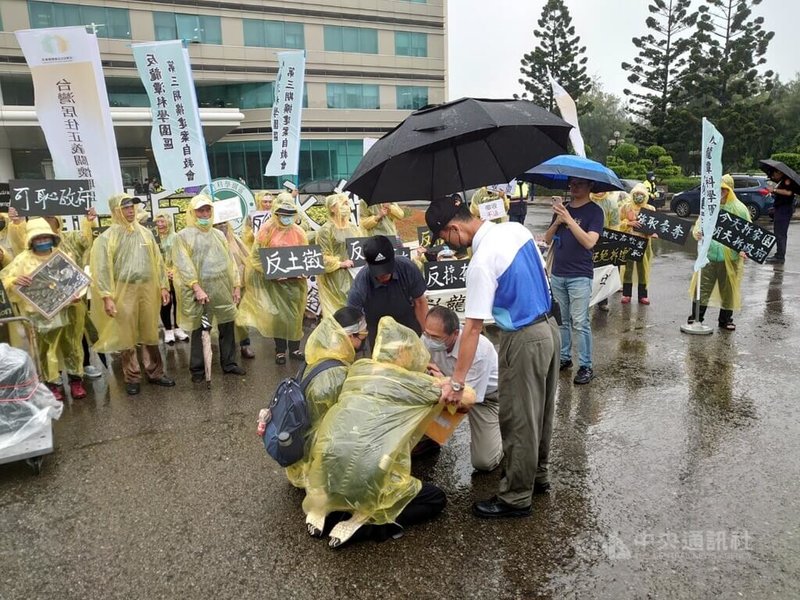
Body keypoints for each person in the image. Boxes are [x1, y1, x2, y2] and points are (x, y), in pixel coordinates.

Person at [425, 194, 560, 519]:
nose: (447, 244)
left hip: (524, 337)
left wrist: (456, 383)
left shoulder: (481, 261)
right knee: (540, 413)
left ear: (454, 228)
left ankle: (515, 498)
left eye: (445, 237)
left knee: (518, 420)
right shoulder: (515, 230)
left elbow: (471, 329)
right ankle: (536, 476)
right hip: (551, 328)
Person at [303, 317, 463, 547]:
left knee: (351, 474)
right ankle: (371, 524)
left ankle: (328, 511)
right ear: (404, 355)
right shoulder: (413, 383)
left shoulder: (359, 369)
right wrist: (441, 379)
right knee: (435, 499)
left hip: (328, 463)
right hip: (370, 468)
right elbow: (466, 397)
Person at [90, 194, 175, 396]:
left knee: (150, 331)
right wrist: (107, 297)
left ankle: (155, 372)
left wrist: (163, 286)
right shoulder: (107, 238)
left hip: (147, 287)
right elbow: (101, 269)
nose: (130, 211)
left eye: (132, 207)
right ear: (115, 211)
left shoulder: (145, 233)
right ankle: (132, 376)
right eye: (125, 207)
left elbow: (158, 261)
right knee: (126, 334)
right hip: (122, 290)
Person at [285, 307, 367, 489]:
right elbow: (333, 426)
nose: (364, 340)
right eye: (362, 335)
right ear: (350, 337)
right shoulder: (335, 374)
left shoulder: (320, 352)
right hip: (316, 456)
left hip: (300, 444)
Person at [0, 219, 82, 401]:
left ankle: (76, 380)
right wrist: (14, 280)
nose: (43, 240)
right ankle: (53, 384)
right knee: (45, 351)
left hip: (65, 311)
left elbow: (76, 281)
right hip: (38, 316)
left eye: (46, 236)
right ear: (31, 240)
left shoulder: (62, 256)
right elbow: (4, 278)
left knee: (70, 346)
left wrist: (76, 293)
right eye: (38, 238)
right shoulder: (22, 259)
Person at [172, 194, 246, 382]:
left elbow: (230, 262)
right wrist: (196, 288)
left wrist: (236, 285)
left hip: (223, 288)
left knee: (227, 325)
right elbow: (184, 264)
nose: (204, 214)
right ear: (192, 212)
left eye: (207, 210)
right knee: (200, 329)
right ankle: (198, 369)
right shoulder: (183, 236)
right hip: (201, 291)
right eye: (200, 210)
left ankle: (229, 363)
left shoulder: (219, 234)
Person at [423, 305, 503, 472]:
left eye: (436, 337)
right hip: (447, 390)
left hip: (484, 399)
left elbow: (465, 404)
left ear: (455, 333)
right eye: (427, 334)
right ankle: (427, 439)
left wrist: (440, 381)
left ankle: (505, 436)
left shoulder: (479, 350)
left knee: (484, 462)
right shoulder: (427, 339)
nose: (429, 340)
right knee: (421, 437)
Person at [543, 178, 604, 385]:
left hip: (580, 274)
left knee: (580, 322)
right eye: (572, 184)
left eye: (579, 184)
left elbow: (589, 242)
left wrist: (568, 220)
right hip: (558, 273)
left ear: (590, 186)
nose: (574, 187)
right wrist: (559, 221)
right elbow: (547, 239)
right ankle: (564, 358)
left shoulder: (595, 211)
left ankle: (586, 365)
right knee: (563, 321)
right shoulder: (563, 210)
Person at [237, 194, 308, 364]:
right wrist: (271, 272)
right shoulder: (266, 230)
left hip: (296, 282)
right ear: (276, 213)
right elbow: (255, 257)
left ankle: (295, 348)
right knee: (279, 317)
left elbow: (305, 255)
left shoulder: (298, 231)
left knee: (295, 315)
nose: (287, 218)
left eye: (290, 214)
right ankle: (280, 350)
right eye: (283, 214)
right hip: (275, 283)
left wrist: (304, 271)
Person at [687, 174, 750, 330]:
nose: (720, 192)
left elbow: (748, 232)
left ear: (730, 190)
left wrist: (744, 249)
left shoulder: (739, 209)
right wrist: (697, 233)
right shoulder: (709, 206)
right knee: (702, 287)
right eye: (717, 189)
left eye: (724, 189)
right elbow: (699, 224)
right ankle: (696, 316)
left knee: (728, 289)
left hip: (730, 257)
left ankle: (726, 319)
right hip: (708, 255)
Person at [347, 235, 427, 351]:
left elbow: (420, 302)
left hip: (408, 324)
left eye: (386, 269)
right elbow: (353, 319)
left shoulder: (407, 267)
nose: (383, 275)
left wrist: (426, 335)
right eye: (378, 271)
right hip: (379, 332)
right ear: (367, 263)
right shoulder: (361, 284)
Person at [316, 193, 363, 318]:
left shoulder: (353, 227)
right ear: (332, 208)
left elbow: (360, 247)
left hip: (354, 273)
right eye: (343, 204)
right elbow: (322, 256)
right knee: (338, 311)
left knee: (354, 308)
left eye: (347, 204)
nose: (346, 207)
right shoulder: (326, 230)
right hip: (334, 277)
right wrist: (340, 264)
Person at [214, 220, 256, 360]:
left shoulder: (235, 239)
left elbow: (248, 258)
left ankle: (244, 345)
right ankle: (226, 349)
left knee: (242, 317)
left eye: (224, 224)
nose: (222, 227)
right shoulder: (210, 240)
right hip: (219, 286)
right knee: (224, 320)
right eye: (218, 224)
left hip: (240, 286)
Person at [618, 183, 657, 304]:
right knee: (627, 268)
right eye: (636, 194)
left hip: (644, 243)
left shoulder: (650, 209)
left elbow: (655, 226)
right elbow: (618, 224)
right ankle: (626, 294)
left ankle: (643, 295)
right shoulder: (626, 207)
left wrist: (653, 233)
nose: (639, 197)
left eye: (641, 195)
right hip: (629, 241)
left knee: (643, 268)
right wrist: (628, 223)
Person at [154, 212, 189, 345]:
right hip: (160, 277)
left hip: (175, 275)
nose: (160, 225)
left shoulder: (176, 237)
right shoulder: (153, 239)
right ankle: (168, 330)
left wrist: (174, 271)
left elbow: (181, 256)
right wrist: (163, 272)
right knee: (165, 303)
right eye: (158, 222)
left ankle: (178, 328)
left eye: (163, 221)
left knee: (178, 302)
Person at [590, 191, 621, 312]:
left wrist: (612, 241)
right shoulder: (588, 199)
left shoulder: (611, 203)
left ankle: (602, 301)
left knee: (603, 271)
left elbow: (614, 224)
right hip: (587, 238)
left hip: (604, 240)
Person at [766, 167, 797, 264]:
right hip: (780, 209)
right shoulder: (782, 181)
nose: (773, 176)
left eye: (774, 173)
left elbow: (788, 192)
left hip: (784, 210)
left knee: (780, 234)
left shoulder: (787, 181)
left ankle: (780, 257)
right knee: (778, 233)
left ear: (779, 172)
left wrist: (774, 190)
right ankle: (778, 254)